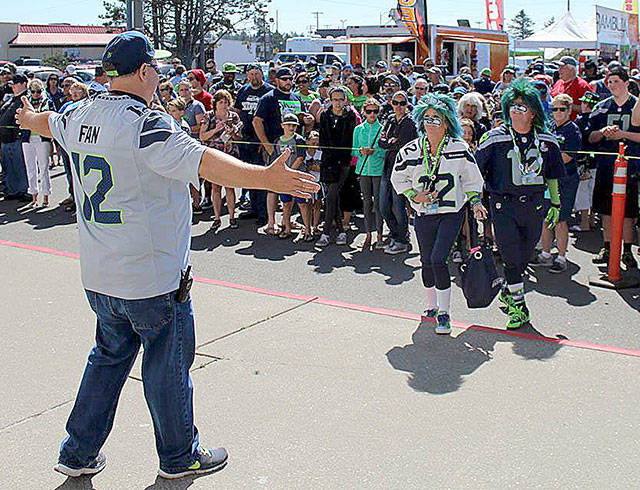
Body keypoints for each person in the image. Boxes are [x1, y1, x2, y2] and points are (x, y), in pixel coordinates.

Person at [16, 30, 318, 480]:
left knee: (107, 358)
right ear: (143, 72)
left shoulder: (78, 112)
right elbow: (205, 161)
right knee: (167, 366)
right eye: (154, 69)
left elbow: (45, 122)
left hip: (100, 274)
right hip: (152, 277)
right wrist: (266, 178)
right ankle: (179, 455)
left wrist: (27, 116)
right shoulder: (146, 125)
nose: (158, 76)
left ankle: (78, 452)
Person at [392, 93, 486, 334]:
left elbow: (472, 179)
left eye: (437, 118)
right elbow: (398, 178)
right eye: (427, 117)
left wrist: (475, 202)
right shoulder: (411, 149)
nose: (431, 122)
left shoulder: (459, 147)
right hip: (423, 213)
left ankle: (445, 313)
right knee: (426, 261)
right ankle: (432, 306)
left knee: (438, 259)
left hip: (450, 213)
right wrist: (414, 196)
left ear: (447, 122)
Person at [475, 79, 565, 329]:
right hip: (503, 205)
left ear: (534, 112)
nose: (516, 110)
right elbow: (475, 173)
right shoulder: (494, 138)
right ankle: (519, 308)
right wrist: (474, 200)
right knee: (511, 257)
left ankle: (508, 289)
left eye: (522, 106)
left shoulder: (547, 140)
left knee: (525, 256)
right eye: (513, 105)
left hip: (535, 205)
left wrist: (556, 205)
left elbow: (553, 176)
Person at [590, 67, 640, 268]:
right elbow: (590, 137)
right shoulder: (601, 107)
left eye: (616, 81)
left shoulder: (636, 106)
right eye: (609, 82)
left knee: (628, 212)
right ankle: (608, 247)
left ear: (627, 83)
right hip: (605, 165)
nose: (612, 86)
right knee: (606, 210)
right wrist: (602, 132)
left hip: (631, 165)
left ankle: (627, 250)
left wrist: (623, 135)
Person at [532, 94, 582, 273]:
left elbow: (567, 157)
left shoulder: (572, 130)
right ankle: (545, 254)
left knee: (560, 220)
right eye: (554, 109)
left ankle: (561, 257)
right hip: (547, 180)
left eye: (562, 109)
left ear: (569, 111)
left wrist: (544, 161)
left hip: (565, 180)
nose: (557, 112)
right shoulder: (549, 127)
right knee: (546, 218)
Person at [253, 66, 305, 235]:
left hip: (295, 149)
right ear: (276, 80)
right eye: (284, 79)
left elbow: (302, 121)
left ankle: (286, 221)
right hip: (275, 148)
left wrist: (309, 121)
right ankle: (270, 222)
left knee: (290, 186)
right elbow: (257, 122)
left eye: (290, 79)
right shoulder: (268, 98)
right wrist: (267, 145)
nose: (288, 82)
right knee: (272, 186)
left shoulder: (297, 97)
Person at [316, 86, 358, 247]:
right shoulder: (326, 115)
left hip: (343, 162)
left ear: (345, 100)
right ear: (330, 100)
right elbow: (323, 139)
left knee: (331, 195)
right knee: (333, 197)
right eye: (335, 99)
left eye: (341, 99)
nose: (338, 103)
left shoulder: (350, 116)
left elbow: (347, 139)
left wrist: (339, 154)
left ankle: (325, 233)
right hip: (328, 162)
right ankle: (341, 231)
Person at [378, 90, 417, 254]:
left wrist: (390, 142)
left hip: (402, 169)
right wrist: (389, 142)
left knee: (398, 205)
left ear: (407, 104)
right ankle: (396, 234)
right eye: (396, 103)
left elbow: (402, 145)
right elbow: (382, 141)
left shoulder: (410, 122)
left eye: (402, 103)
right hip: (388, 167)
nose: (399, 107)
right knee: (383, 206)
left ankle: (403, 239)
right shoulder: (390, 119)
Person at [234, 64, 273, 226]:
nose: (254, 77)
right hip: (245, 139)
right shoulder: (243, 91)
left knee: (261, 176)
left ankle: (264, 213)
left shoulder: (269, 92)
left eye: (257, 74)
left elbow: (271, 118)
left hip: (261, 140)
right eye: (251, 74)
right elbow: (237, 112)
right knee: (248, 175)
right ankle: (253, 208)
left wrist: (265, 141)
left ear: (262, 74)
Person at [200, 89, 243, 231]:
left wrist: (234, 132)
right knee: (215, 187)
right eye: (221, 102)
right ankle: (217, 217)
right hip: (214, 156)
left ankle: (232, 217)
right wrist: (216, 129)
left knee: (230, 187)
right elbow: (202, 137)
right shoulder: (209, 116)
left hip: (230, 154)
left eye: (226, 102)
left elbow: (240, 138)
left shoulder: (234, 116)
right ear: (215, 103)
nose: (224, 105)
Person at [352, 97, 386, 250]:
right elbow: (353, 150)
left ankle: (379, 234)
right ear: (364, 112)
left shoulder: (383, 128)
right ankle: (368, 234)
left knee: (378, 203)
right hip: (364, 169)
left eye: (375, 111)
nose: (372, 114)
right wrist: (360, 151)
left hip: (379, 169)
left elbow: (386, 151)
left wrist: (375, 152)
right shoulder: (358, 129)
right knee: (366, 202)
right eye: (369, 111)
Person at [272, 113, 310, 240]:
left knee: (302, 204)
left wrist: (290, 171)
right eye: (288, 125)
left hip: (296, 175)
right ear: (282, 126)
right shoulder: (277, 141)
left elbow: (300, 158)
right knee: (286, 203)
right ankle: (287, 228)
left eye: (294, 125)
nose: (291, 127)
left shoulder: (299, 140)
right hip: (284, 177)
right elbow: (276, 158)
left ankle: (308, 230)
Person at [22, 78, 53, 208]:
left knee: (44, 167)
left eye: (38, 91)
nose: (35, 94)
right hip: (27, 138)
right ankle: (33, 196)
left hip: (42, 138)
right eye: (33, 91)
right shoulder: (25, 103)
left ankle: (45, 195)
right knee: (30, 169)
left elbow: (52, 117)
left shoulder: (47, 102)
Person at [572, 91, 599, 232]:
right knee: (594, 190)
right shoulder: (600, 119)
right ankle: (592, 219)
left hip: (583, 161)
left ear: (586, 104)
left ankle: (584, 223)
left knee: (582, 191)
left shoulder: (580, 120)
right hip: (597, 160)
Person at [0, 73, 29, 201]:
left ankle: (21, 190)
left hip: (16, 138)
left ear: (24, 84)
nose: (14, 87)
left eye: (16, 84)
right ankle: (12, 190)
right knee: (8, 166)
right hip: (6, 138)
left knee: (18, 166)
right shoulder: (12, 99)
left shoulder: (25, 99)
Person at [550, 56, 591, 120]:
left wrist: (567, 105)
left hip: (573, 124)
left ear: (571, 69)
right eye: (559, 67)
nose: (559, 70)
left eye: (562, 67)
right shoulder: (558, 82)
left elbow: (589, 109)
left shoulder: (582, 85)